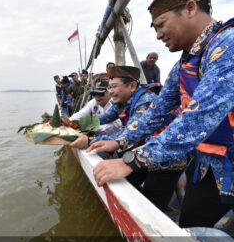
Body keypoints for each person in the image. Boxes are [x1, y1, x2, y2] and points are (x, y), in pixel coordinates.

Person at [87, 0, 234, 242]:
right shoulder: (185, 63)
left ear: (190, 8)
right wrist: (115, 141)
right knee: (188, 233)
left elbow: (198, 119)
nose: (159, 35)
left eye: (161, 24)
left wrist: (131, 160)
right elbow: (157, 113)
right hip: (208, 167)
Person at [70, 66, 181, 211]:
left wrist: (89, 140)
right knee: (127, 183)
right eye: (109, 87)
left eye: (114, 87)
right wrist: (74, 124)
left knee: (153, 204)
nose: (110, 92)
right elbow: (103, 118)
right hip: (142, 150)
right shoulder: (122, 102)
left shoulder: (145, 101)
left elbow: (129, 134)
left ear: (132, 86)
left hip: (166, 156)